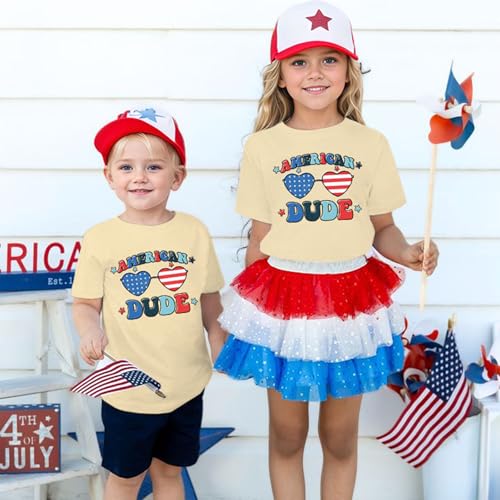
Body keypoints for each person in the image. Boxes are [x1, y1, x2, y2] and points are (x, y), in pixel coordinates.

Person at [214, 2, 439, 499]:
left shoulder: (370, 143)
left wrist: (408, 252)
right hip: (283, 300)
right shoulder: (262, 147)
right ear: (281, 76)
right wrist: (252, 316)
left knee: (338, 438)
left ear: (348, 72)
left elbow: (383, 228)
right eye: (300, 61)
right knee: (287, 435)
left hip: (349, 299)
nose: (314, 73)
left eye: (329, 60)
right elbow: (259, 238)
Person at [72, 107, 226, 500]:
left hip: (186, 382)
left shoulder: (193, 231)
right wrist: (89, 330)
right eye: (126, 167)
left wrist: (218, 337)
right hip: (128, 387)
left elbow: (209, 297)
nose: (139, 176)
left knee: (170, 473)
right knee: (126, 478)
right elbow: (85, 302)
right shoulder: (100, 237)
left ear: (177, 176)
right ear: (109, 177)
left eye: (153, 167)